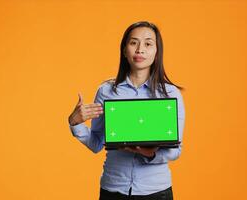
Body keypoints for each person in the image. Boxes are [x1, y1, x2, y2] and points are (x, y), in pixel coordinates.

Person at [68, 21, 185, 200]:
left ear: (156, 51)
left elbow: (176, 150)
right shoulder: (106, 91)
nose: (140, 49)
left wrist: (150, 154)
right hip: (113, 189)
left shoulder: (170, 94)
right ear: (124, 50)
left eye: (148, 43)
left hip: (156, 191)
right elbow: (97, 142)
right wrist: (75, 123)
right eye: (133, 43)